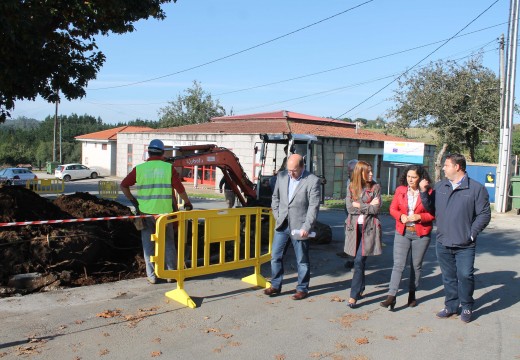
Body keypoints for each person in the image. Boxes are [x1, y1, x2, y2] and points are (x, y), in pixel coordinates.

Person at [419, 153, 490, 323]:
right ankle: (451, 306)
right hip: (443, 241)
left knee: (465, 275)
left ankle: (466, 305)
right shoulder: (441, 186)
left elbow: (484, 215)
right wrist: (423, 193)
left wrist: (471, 233)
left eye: (446, 165)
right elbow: (431, 209)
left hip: (465, 244)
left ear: (457, 167)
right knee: (448, 276)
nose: (443, 168)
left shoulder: (476, 188)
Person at [121, 139, 193, 285]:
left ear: (149, 152)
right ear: (162, 153)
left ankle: (152, 276)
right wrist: (187, 203)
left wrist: (133, 201)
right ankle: (171, 273)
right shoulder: (168, 168)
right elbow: (180, 189)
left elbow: (123, 185)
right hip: (165, 215)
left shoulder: (139, 169)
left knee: (148, 244)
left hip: (146, 213)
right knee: (168, 244)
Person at [264, 154, 321, 300]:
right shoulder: (282, 176)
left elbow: (313, 207)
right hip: (282, 224)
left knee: (302, 260)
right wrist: (277, 215)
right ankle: (275, 285)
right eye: (289, 170)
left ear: (302, 167)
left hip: (300, 226)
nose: (291, 173)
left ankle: (302, 288)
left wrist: (307, 227)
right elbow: (275, 198)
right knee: (275, 256)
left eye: (294, 171)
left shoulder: (312, 181)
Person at [380, 165, 435, 310]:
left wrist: (420, 216)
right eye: (408, 176)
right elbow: (392, 209)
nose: (410, 180)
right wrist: (401, 216)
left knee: (415, 266)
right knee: (398, 264)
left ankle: (412, 294)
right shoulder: (400, 190)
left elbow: (433, 214)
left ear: (421, 178)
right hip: (402, 231)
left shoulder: (428, 191)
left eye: (414, 177)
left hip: (421, 234)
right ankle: (391, 296)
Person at [344, 160, 382, 308]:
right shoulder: (351, 186)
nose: (372, 174)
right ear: (360, 173)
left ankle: (353, 296)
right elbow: (349, 208)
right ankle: (360, 288)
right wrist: (367, 206)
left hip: (369, 229)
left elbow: (376, 209)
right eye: (369, 171)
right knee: (359, 260)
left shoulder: (376, 188)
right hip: (354, 228)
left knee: (359, 260)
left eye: (372, 171)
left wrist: (359, 205)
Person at [337, 159, 359, 269]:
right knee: (348, 233)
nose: (348, 172)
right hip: (349, 211)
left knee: (355, 237)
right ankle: (348, 252)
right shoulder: (350, 179)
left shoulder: (367, 181)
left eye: (350, 170)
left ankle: (354, 260)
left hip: (359, 215)